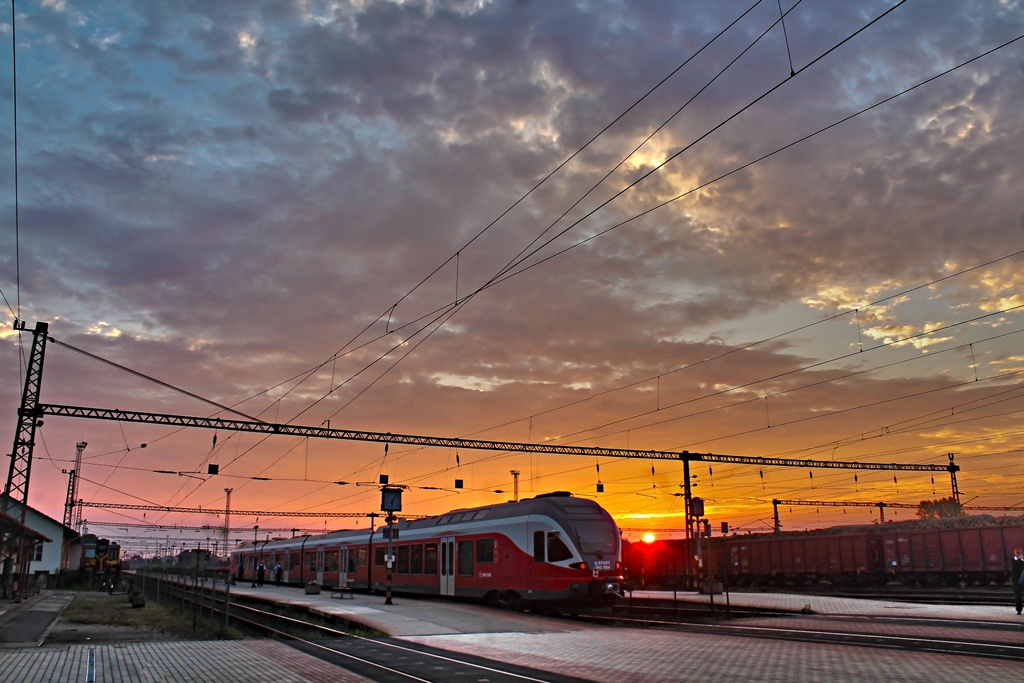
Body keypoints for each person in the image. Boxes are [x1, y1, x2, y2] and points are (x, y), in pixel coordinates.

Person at [1012, 547, 1024, 616]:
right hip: (1016, 580)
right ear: (1015, 553)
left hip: (1022, 578)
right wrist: (1021, 560)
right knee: (1018, 596)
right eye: (1017, 553)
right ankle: (1019, 610)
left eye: (1020, 552)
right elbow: (1015, 566)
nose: (1018, 554)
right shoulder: (1013, 560)